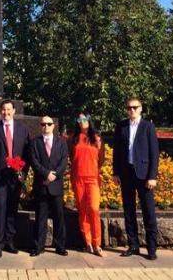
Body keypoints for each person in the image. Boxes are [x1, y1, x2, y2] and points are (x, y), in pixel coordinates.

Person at [112, 97, 160, 260]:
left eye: (134, 107)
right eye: (129, 108)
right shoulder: (121, 126)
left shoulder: (148, 126)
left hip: (144, 175)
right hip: (126, 173)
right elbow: (117, 151)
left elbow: (154, 152)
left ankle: (151, 247)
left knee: (148, 211)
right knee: (128, 210)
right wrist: (115, 172)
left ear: (141, 108)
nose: (131, 110)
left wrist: (152, 176)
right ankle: (133, 245)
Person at [0, 99, 30, 258]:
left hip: (16, 176)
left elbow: (27, 151)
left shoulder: (22, 128)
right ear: (0, 111)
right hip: (0, 175)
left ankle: (9, 241)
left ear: (14, 111)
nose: (6, 112)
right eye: (3, 109)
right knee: (0, 208)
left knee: (12, 209)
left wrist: (24, 171)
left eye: (9, 109)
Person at [28, 116, 69, 257]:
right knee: (40, 217)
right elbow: (33, 161)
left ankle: (60, 246)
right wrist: (46, 174)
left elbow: (64, 162)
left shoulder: (61, 143)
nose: (46, 126)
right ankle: (38, 246)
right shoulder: (34, 143)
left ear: (53, 126)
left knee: (59, 216)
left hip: (56, 184)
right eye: (43, 124)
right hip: (41, 184)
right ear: (40, 126)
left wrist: (53, 176)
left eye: (49, 124)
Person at [69, 110, 105, 257]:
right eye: (79, 120)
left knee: (94, 209)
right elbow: (71, 157)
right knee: (82, 210)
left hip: (92, 178)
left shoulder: (96, 138)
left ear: (89, 120)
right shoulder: (72, 138)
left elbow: (101, 159)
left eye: (84, 119)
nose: (82, 122)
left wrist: (92, 169)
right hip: (78, 178)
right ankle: (88, 242)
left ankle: (97, 244)